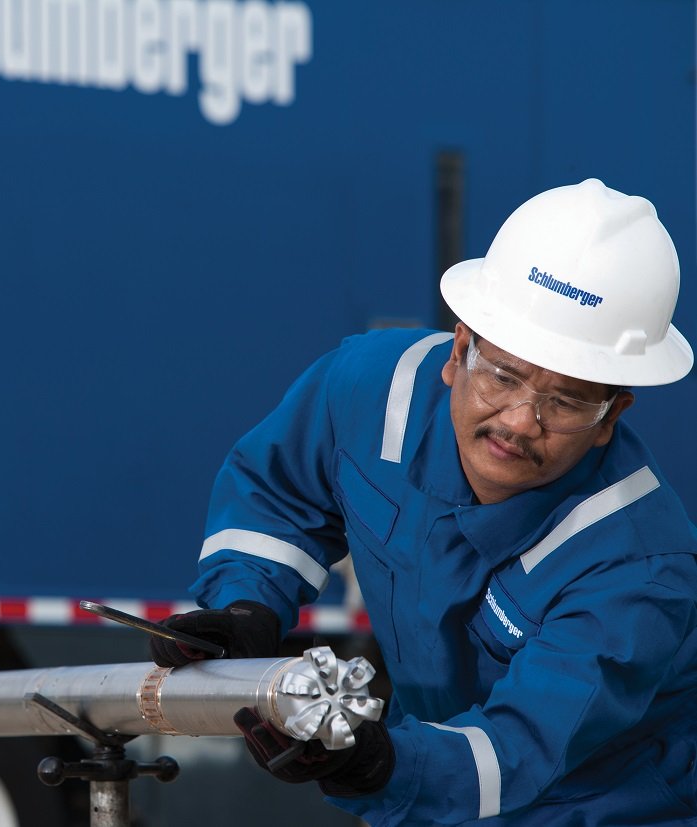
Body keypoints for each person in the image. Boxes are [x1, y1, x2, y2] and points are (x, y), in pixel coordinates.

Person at [150, 179, 697, 825]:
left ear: (611, 415)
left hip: (600, 805)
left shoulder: (638, 567)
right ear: (458, 350)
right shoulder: (366, 390)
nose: (521, 421)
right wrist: (247, 606)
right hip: (434, 769)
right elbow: (277, 496)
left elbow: (517, 748)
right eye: (503, 373)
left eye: (567, 400)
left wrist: (379, 762)